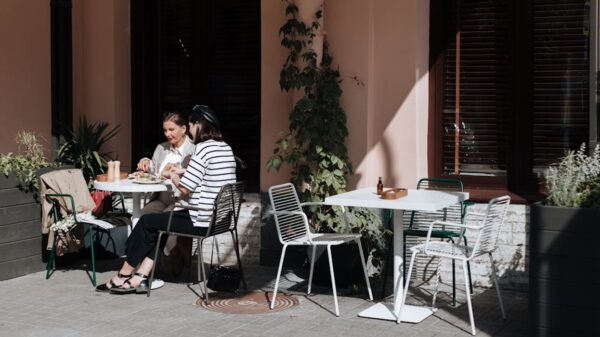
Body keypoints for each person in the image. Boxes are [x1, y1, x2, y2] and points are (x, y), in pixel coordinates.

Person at [102, 105, 237, 293]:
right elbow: (206, 173)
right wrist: (182, 170)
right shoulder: (225, 148)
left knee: (147, 222)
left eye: (190, 125)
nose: (190, 130)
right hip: (222, 220)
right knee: (157, 225)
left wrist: (173, 176)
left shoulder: (202, 149)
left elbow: (183, 189)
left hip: (201, 219)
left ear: (198, 125)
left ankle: (123, 274)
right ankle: (140, 277)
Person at [136, 112, 195, 262]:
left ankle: (170, 254)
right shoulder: (161, 148)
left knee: (164, 221)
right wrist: (145, 162)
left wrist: (175, 171)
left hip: (180, 200)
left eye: (171, 130)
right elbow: (154, 171)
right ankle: (139, 257)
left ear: (183, 129)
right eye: (165, 130)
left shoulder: (193, 150)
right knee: (141, 216)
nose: (167, 134)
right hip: (161, 199)